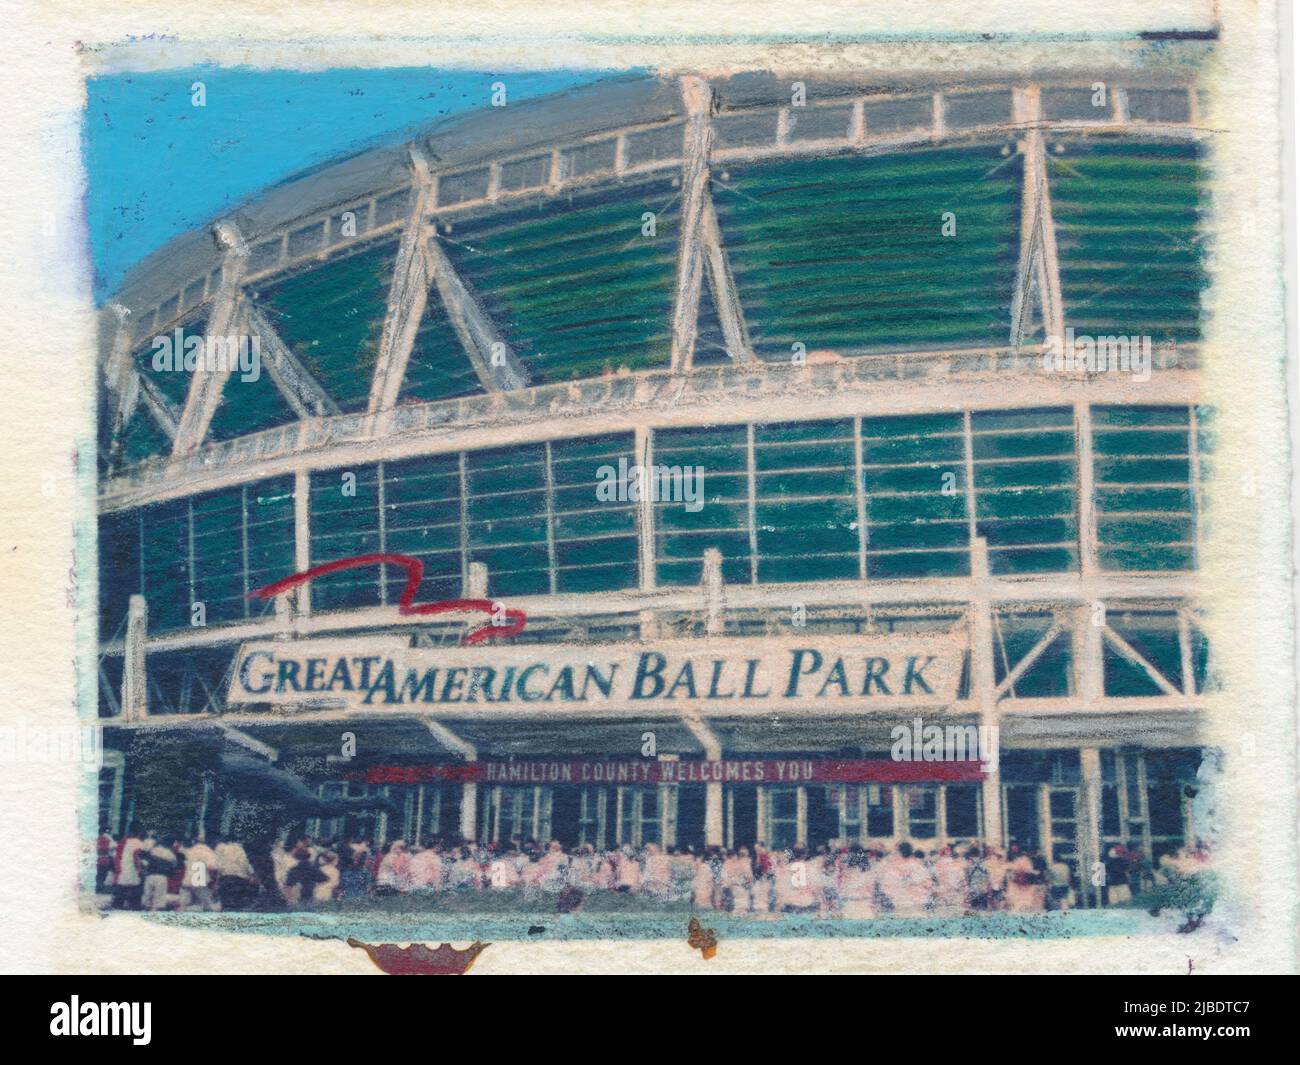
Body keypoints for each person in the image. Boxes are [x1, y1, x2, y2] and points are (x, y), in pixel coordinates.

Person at [213, 836, 257, 911]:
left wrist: (216, 884)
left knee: (226, 906)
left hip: (225, 881)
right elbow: (250, 870)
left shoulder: (221, 848)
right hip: (240, 882)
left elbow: (217, 869)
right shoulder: (243, 849)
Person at [112, 824, 147, 911]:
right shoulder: (139, 843)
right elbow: (137, 857)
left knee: (118, 901)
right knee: (135, 901)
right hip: (133, 873)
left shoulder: (123, 841)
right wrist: (140, 868)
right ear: (140, 832)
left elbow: (116, 856)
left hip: (122, 873)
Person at [141, 836, 179, 912]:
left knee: (147, 898)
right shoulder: (170, 854)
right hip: (162, 877)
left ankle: (144, 912)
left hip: (150, 876)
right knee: (159, 902)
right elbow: (174, 866)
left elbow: (145, 862)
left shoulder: (153, 850)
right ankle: (155, 913)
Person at [179, 837, 217, 912]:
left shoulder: (190, 850)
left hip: (187, 881)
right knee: (208, 906)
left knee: (184, 906)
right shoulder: (206, 850)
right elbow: (212, 867)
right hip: (199, 880)